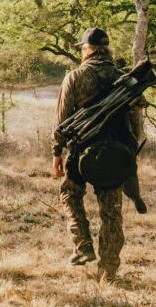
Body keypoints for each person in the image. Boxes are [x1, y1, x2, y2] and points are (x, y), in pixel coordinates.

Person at [53, 27, 147, 279]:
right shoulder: (125, 79)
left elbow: (61, 120)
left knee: (70, 194)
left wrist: (57, 151)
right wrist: (132, 151)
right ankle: (108, 271)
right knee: (111, 213)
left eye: (82, 48)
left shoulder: (75, 77)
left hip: (81, 152)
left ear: (87, 49)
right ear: (107, 49)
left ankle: (82, 244)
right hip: (116, 154)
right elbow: (134, 119)